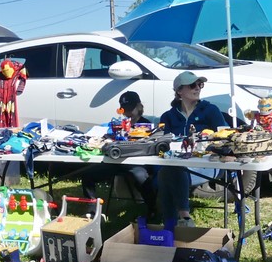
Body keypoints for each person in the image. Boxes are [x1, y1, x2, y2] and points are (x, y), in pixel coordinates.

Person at [158, 71, 226, 227]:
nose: (198, 88)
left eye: (200, 84)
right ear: (179, 91)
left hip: (207, 162)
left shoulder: (210, 110)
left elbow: (224, 135)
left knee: (166, 173)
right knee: (169, 170)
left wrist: (209, 138)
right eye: (192, 85)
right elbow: (162, 142)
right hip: (176, 163)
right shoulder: (168, 116)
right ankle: (183, 221)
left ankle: (172, 223)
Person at [81, 91, 158, 217]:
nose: (127, 113)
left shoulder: (146, 124)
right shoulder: (119, 124)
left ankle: (152, 208)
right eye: (124, 110)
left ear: (139, 106)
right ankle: (92, 210)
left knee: (140, 176)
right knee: (87, 175)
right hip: (116, 161)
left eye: (130, 109)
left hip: (137, 162)